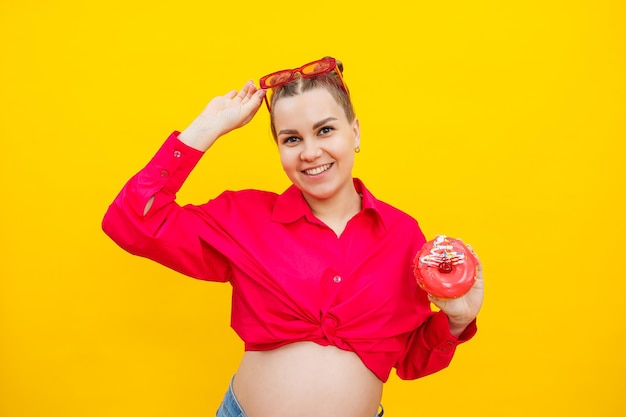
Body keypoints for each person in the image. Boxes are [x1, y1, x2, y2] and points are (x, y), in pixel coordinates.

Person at [102, 57, 484, 417]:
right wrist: (206, 128)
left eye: (325, 130)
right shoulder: (244, 218)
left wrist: (455, 322)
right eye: (292, 139)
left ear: (355, 131)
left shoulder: (403, 236)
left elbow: (410, 360)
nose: (310, 152)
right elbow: (132, 222)